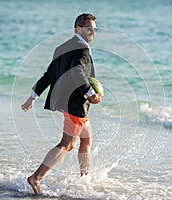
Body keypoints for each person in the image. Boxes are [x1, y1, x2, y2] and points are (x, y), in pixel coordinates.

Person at [21, 13, 101, 195]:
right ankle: (36, 177)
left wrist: (33, 96)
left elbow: (49, 74)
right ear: (78, 29)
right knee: (67, 144)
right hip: (75, 103)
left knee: (86, 139)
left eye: (95, 29)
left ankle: (84, 179)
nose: (93, 32)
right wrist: (91, 94)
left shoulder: (62, 47)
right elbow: (77, 72)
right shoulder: (82, 49)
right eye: (89, 28)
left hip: (66, 102)